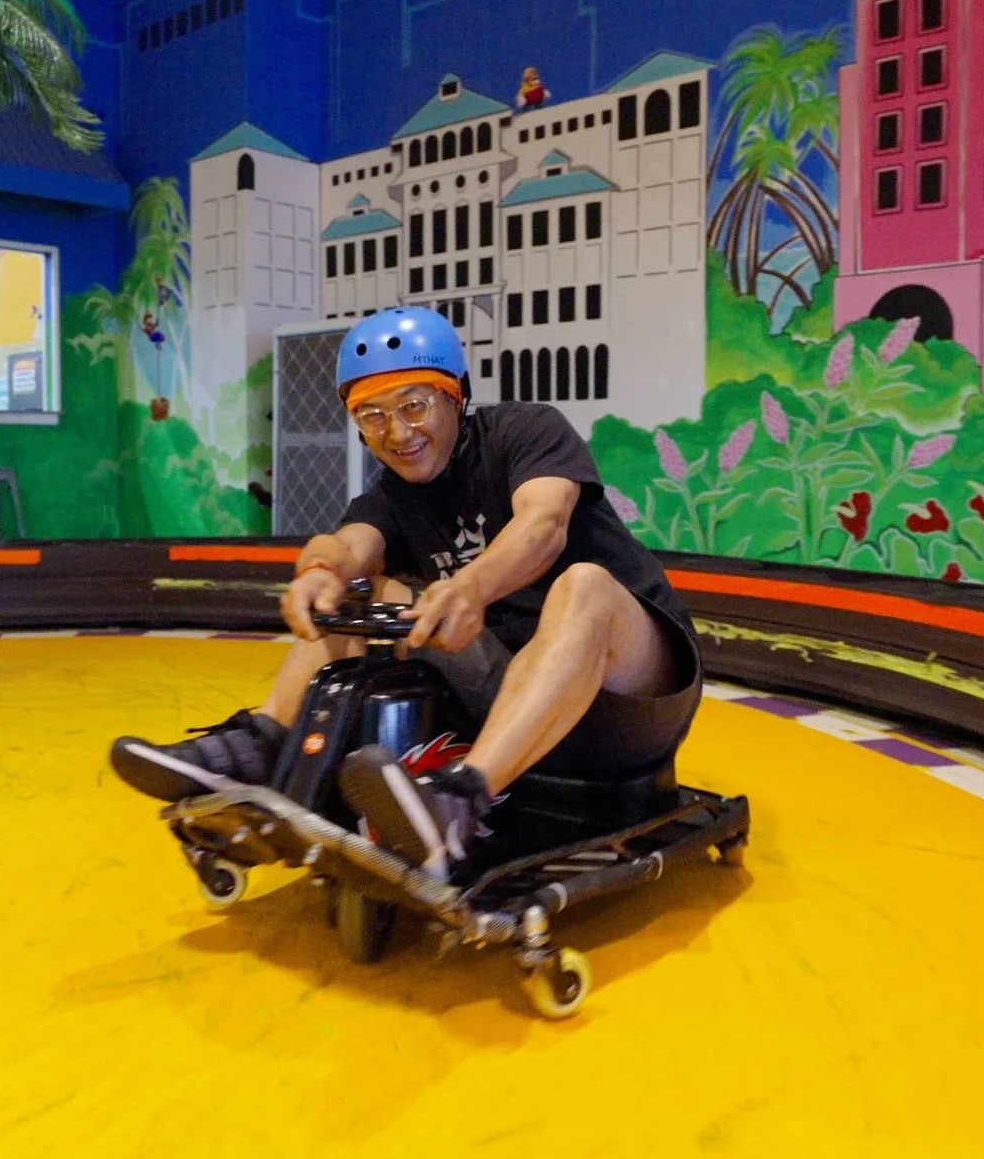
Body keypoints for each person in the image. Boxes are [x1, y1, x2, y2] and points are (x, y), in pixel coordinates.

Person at [111, 307, 702, 879]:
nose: (397, 432)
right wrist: (321, 571)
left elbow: (543, 527)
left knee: (583, 587)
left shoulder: (524, 432)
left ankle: (462, 799)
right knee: (360, 594)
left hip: (634, 698)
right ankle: (263, 745)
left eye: (413, 405)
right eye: (371, 415)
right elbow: (350, 545)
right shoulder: (391, 496)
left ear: (455, 395)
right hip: (515, 693)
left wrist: (469, 585)